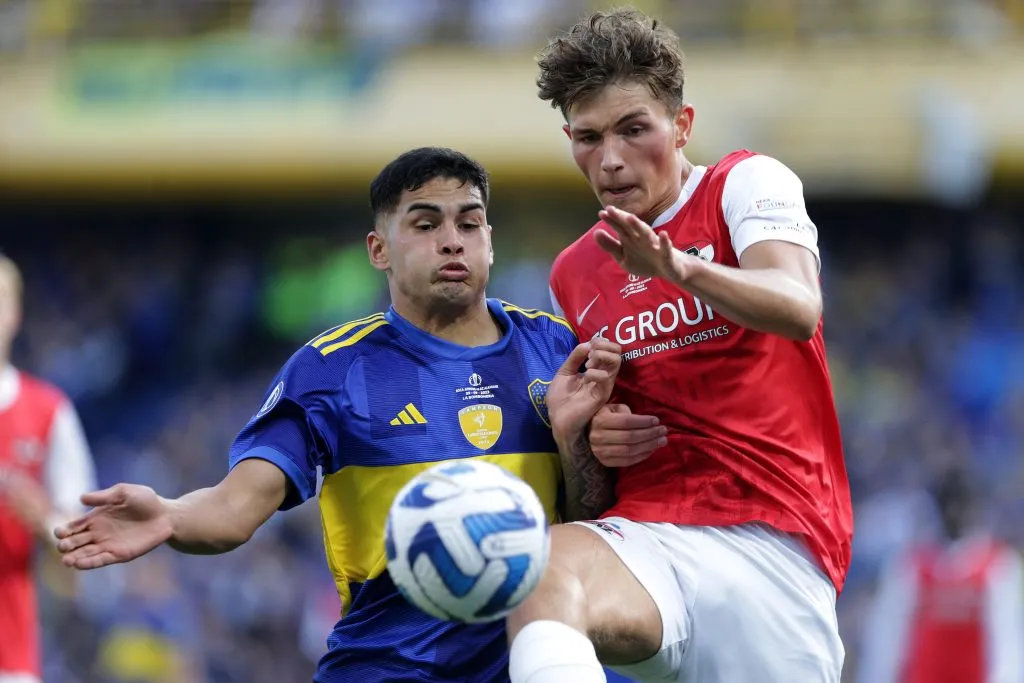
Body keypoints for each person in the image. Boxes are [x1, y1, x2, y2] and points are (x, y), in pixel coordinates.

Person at [53, 147, 625, 682]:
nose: (453, 242)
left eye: (468, 224)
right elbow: (235, 507)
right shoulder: (331, 368)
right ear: (379, 249)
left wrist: (574, 442)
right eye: (426, 225)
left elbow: (596, 524)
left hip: (531, 663)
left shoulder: (555, 349)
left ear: (490, 241)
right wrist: (171, 517)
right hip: (384, 667)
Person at [506, 9, 851, 683]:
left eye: (634, 129)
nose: (610, 158)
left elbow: (798, 305)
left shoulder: (743, 185)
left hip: (772, 548)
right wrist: (579, 438)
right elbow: (591, 503)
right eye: (588, 137)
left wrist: (679, 268)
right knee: (538, 568)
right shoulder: (572, 272)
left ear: (682, 125)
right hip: (647, 544)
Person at [0, 254, 98, 683]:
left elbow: (80, 544)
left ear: (15, 312)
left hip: (11, 653)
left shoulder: (48, 412)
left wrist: (44, 521)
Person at [857, 470, 1024, 683]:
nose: (954, 514)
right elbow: (886, 641)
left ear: (974, 509)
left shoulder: (998, 566)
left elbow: (1007, 644)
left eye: (961, 506)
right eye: (948, 505)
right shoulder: (911, 566)